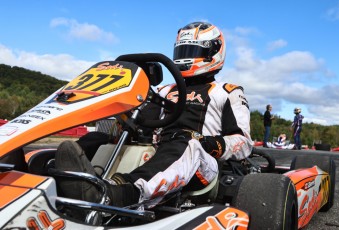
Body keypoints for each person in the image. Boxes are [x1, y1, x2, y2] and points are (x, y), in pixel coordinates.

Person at [55, 22, 253, 211]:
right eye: (182, 51)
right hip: (162, 153)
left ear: (213, 52)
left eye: (192, 51)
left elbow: (243, 143)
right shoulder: (165, 90)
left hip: (203, 163)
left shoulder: (227, 92)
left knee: (185, 142)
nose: (185, 57)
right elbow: (144, 123)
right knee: (98, 138)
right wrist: (126, 124)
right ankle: (60, 180)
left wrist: (208, 143)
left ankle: (119, 193)